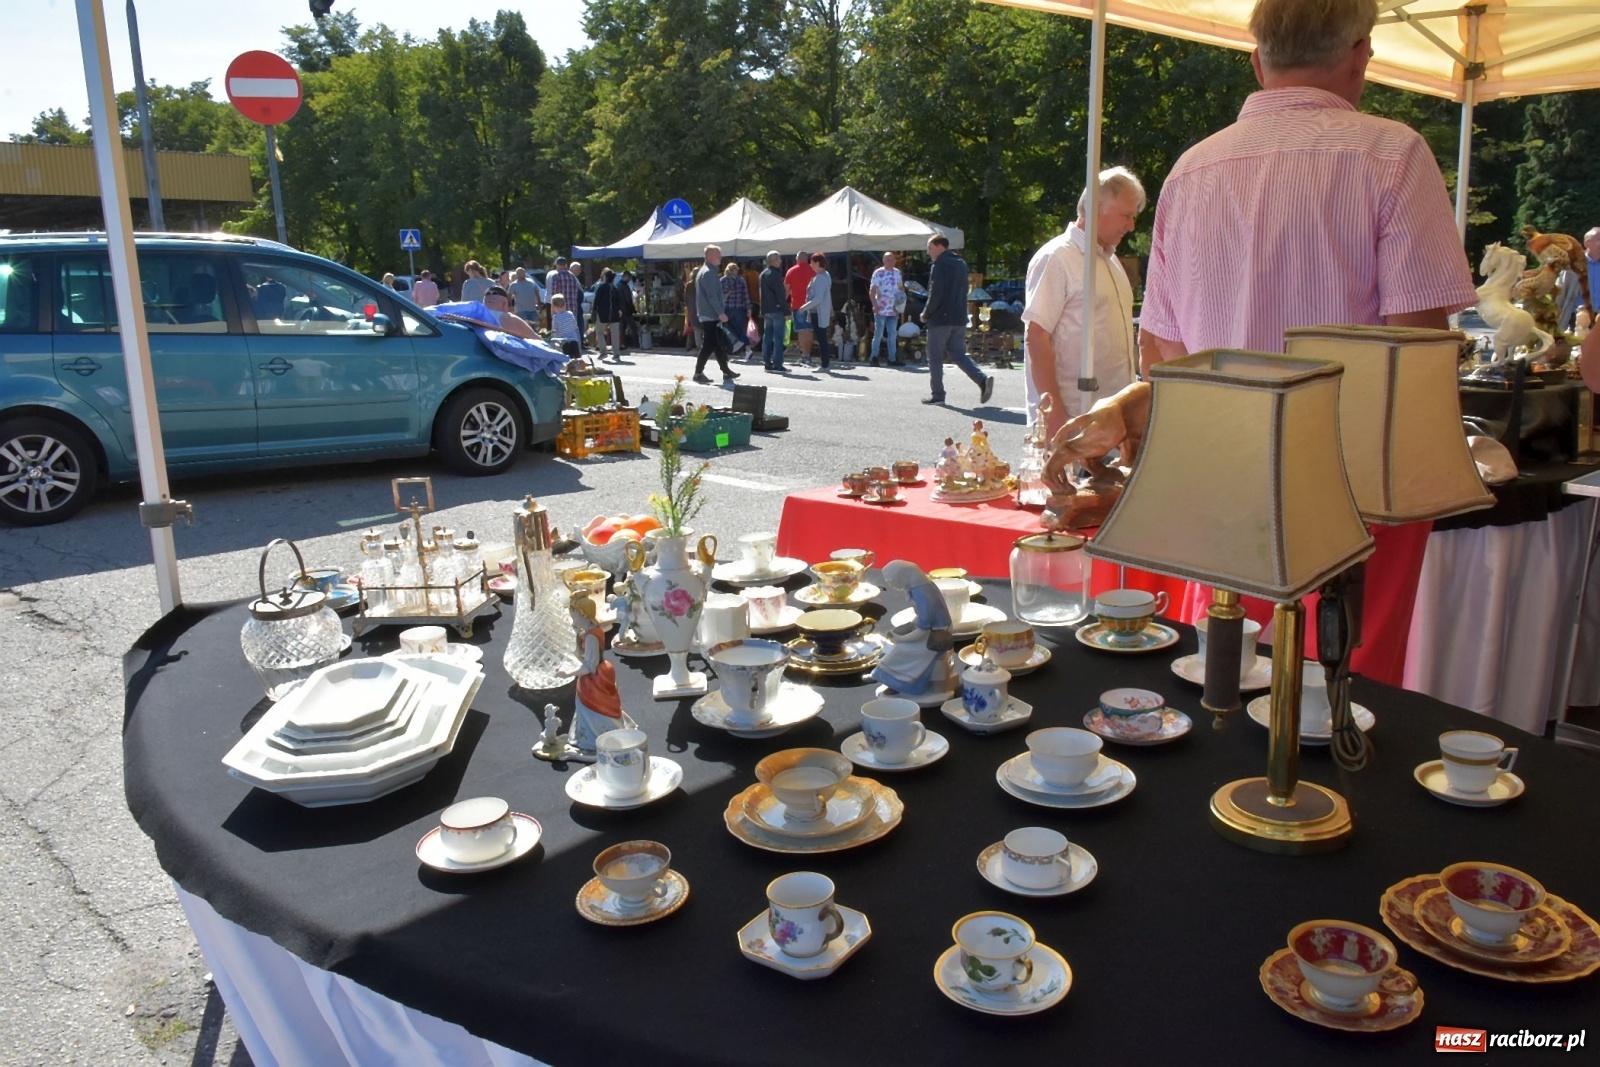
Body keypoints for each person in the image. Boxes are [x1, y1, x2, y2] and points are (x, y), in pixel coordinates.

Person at [1138, 0, 1477, 687]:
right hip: (1360, 481)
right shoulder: (1391, 153)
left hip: (1224, 470)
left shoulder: (1191, 170)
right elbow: (1416, 353)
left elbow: (1160, 353)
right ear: (1360, 55)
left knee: (1225, 670)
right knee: (1345, 690)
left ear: (1257, 61)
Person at [1023, 166, 1146, 440]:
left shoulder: (1111, 261)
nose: (1131, 226)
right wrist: (1053, 414)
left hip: (1112, 420)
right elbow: (1036, 335)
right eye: (1126, 215)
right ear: (1095, 209)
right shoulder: (1056, 258)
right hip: (1073, 419)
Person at [921, 236, 995, 406]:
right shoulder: (961, 264)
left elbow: (935, 294)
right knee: (958, 354)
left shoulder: (939, 265)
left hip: (940, 318)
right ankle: (982, 380)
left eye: (930, 248)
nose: (928, 252)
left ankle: (938, 394)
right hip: (959, 316)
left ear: (940, 247)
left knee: (935, 357)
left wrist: (926, 313)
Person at [692, 245, 739, 384]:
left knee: (716, 343)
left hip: (708, 313)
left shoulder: (704, 271)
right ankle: (698, 373)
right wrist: (720, 312)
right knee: (709, 344)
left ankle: (726, 371)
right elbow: (712, 296)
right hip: (710, 314)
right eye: (718, 255)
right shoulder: (708, 273)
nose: (720, 257)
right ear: (710, 256)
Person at [800, 253, 836, 371]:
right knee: (822, 338)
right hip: (821, 312)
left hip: (818, 312)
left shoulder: (820, 278)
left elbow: (818, 298)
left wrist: (804, 307)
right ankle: (825, 363)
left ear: (817, 263)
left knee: (821, 339)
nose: (810, 265)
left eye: (812, 262)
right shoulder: (825, 275)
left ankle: (825, 365)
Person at [869, 252, 904, 366]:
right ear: (883, 261)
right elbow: (872, 290)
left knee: (892, 334)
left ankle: (892, 358)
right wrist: (874, 304)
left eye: (892, 259)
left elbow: (900, 289)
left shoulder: (897, 273)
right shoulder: (878, 273)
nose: (890, 262)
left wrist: (901, 302)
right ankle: (874, 357)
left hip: (893, 308)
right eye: (888, 260)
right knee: (878, 333)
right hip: (881, 308)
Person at [758, 250, 788, 372]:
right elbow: (780, 294)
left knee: (767, 337)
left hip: (767, 309)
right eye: (779, 259)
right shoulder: (775, 274)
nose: (780, 261)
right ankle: (777, 363)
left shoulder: (763, 274)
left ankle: (767, 361)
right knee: (778, 338)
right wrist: (786, 310)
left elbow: (761, 294)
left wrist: (762, 309)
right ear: (774, 260)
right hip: (777, 309)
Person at [785, 249, 815, 366]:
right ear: (807, 259)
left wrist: (784, 304)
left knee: (801, 331)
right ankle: (808, 354)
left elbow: (786, 290)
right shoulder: (813, 271)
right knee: (810, 330)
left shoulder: (791, 271)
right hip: (812, 304)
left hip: (798, 304)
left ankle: (804, 355)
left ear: (797, 259)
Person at [545, 257, 585, 340]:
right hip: (573, 308)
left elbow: (554, 294)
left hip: (560, 308)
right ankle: (576, 344)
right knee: (573, 330)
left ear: (557, 265)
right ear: (566, 265)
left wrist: (552, 309)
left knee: (560, 331)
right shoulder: (573, 276)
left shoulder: (556, 276)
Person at [721, 260, 752, 361]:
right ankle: (747, 349)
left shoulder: (722, 281)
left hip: (727, 309)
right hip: (739, 309)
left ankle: (731, 350)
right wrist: (748, 308)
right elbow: (746, 296)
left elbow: (719, 297)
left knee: (728, 331)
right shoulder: (741, 280)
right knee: (740, 330)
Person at [592, 268, 624, 362]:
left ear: (605, 277)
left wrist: (594, 310)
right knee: (615, 334)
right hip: (615, 314)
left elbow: (596, 300)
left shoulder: (602, 287)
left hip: (603, 314)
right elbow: (619, 301)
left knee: (600, 332)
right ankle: (616, 354)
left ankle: (603, 352)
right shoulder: (615, 288)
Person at [614, 270, 639, 348]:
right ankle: (636, 344)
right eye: (629, 278)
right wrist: (633, 309)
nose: (629, 280)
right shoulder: (625, 287)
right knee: (633, 327)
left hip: (619, 310)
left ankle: (622, 344)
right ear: (626, 277)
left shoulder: (617, 286)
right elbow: (628, 300)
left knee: (622, 329)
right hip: (627, 310)